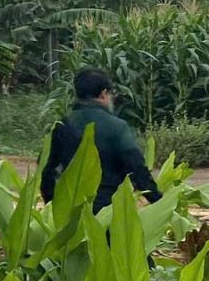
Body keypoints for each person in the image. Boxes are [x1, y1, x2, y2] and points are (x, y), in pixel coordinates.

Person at [39, 68, 162, 210]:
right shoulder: (117, 127)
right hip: (107, 211)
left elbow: (48, 170)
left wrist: (52, 204)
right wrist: (159, 202)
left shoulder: (63, 125)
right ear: (104, 94)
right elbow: (137, 169)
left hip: (70, 214)